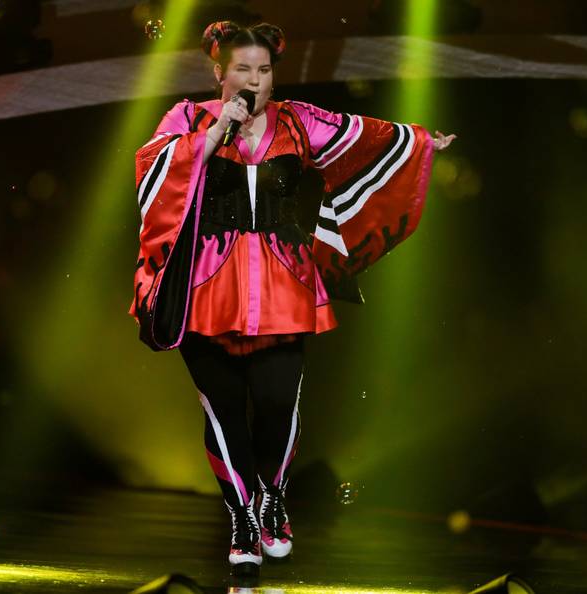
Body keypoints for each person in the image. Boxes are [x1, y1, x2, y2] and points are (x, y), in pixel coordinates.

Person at [130, 20, 456, 573]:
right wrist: (214, 135)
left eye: (264, 70)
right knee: (225, 411)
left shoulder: (298, 120)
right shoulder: (188, 119)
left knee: (279, 404)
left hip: (284, 282)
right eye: (243, 70)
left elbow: (362, 135)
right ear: (219, 74)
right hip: (207, 286)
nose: (255, 80)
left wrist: (420, 143)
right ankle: (240, 515)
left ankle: (273, 496)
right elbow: (153, 168)